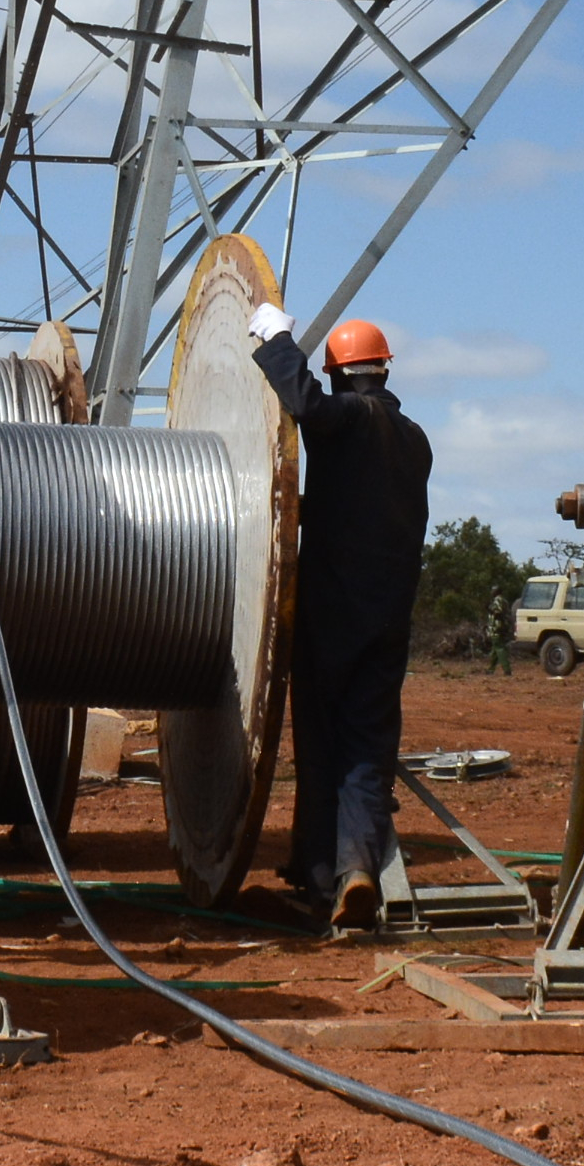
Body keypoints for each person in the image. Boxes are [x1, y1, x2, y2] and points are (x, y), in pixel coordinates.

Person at [245, 306, 431, 930]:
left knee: (322, 745)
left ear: (339, 372)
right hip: (389, 620)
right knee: (368, 750)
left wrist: (275, 338)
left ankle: (324, 881)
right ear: (383, 369)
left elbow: (309, 405)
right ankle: (356, 870)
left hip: (331, 617)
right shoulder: (416, 440)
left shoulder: (349, 418)